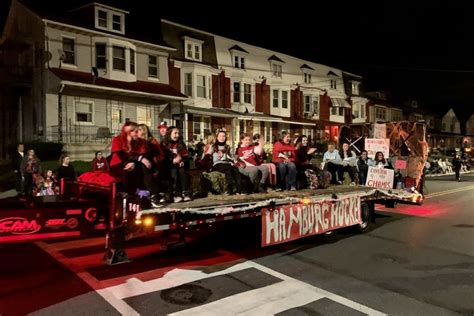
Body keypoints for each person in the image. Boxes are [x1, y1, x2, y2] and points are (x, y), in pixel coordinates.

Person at [207, 129, 242, 195]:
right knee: (228, 170)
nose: (222, 138)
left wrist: (235, 158)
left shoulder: (227, 147)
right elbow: (206, 156)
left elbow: (232, 157)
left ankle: (238, 190)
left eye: (224, 136)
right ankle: (228, 190)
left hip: (227, 164)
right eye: (220, 136)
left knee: (235, 170)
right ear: (217, 137)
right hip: (217, 164)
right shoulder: (213, 146)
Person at [161, 126, 192, 202]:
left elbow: (185, 155)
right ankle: (174, 193)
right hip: (168, 165)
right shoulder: (164, 144)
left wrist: (183, 161)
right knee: (173, 171)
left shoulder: (181, 143)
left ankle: (185, 192)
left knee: (182, 170)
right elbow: (162, 157)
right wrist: (172, 161)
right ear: (169, 134)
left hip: (179, 165)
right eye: (175, 133)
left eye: (178, 133)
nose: (177, 135)